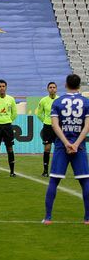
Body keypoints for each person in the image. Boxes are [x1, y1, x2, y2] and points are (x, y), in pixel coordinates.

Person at [42, 74, 89, 224]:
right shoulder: (86, 102)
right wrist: (76, 144)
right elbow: (87, 126)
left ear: (65, 85)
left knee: (54, 180)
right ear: (79, 86)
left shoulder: (58, 102)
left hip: (62, 147)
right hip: (79, 147)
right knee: (85, 181)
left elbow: (55, 125)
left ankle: (47, 218)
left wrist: (66, 143)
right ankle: (87, 218)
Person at [36, 82, 58, 177]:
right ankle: (45, 171)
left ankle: (58, 170)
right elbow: (39, 114)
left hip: (58, 127)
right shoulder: (43, 100)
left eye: (54, 87)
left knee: (58, 149)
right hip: (48, 127)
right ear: (48, 89)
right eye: (50, 87)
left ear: (56, 89)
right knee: (47, 148)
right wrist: (45, 121)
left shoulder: (60, 100)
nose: (52, 89)